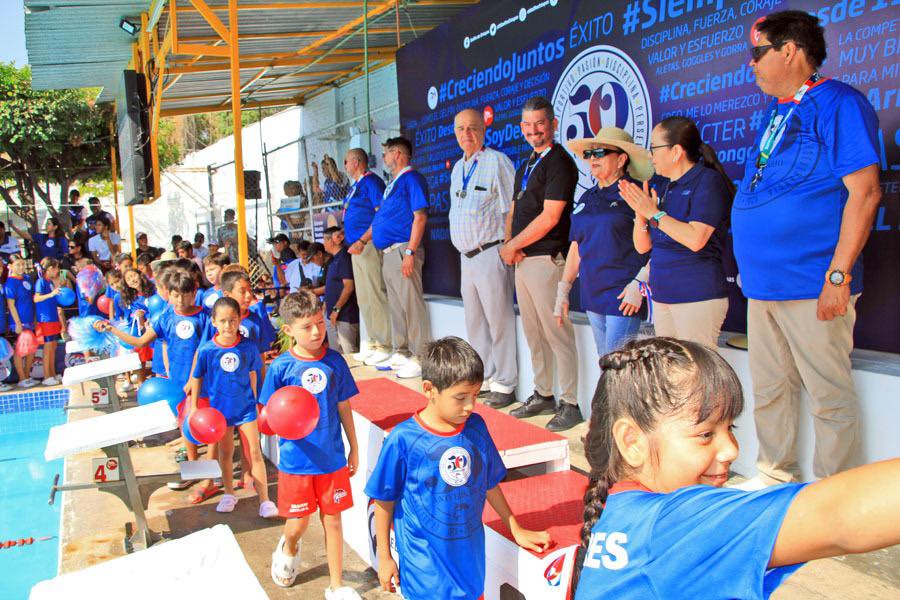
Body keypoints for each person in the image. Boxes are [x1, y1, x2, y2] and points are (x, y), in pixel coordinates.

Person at [573, 337, 900, 599]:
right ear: (632, 442)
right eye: (705, 434)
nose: (731, 450)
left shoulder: (620, 512)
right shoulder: (676, 524)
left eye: (731, 428)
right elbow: (840, 516)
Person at [730, 11, 882, 490]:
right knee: (771, 390)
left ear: (790, 51)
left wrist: (837, 277)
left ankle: (837, 495)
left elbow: (866, 192)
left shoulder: (839, 103)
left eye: (759, 53)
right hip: (763, 287)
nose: (751, 64)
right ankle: (776, 474)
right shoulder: (778, 111)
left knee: (827, 394)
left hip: (811, 280)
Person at [366, 336, 551, 597]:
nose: (470, 406)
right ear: (429, 389)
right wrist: (384, 557)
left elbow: (488, 482)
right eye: (460, 397)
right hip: (425, 576)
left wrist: (515, 528)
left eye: (475, 395)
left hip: (470, 569)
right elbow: (383, 500)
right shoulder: (403, 439)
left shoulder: (476, 427)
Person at [261, 290, 361, 599]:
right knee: (297, 525)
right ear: (288, 330)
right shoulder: (280, 368)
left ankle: (336, 584)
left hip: (331, 459)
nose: (317, 331)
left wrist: (353, 447)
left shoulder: (335, 361)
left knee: (333, 520)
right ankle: (288, 546)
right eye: (307, 326)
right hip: (297, 462)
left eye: (319, 322)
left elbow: (343, 405)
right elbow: (268, 412)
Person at [499, 96, 581, 431]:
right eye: (528, 125)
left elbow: (551, 216)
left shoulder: (559, 162)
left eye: (540, 124)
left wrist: (514, 245)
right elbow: (517, 213)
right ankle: (544, 393)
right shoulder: (527, 164)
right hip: (523, 260)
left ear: (553, 125)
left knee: (556, 333)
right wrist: (511, 246)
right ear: (521, 127)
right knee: (534, 333)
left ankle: (571, 402)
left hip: (547, 259)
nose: (534, 131)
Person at [97, 269, 212, 503]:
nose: (181, 300)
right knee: (185, 425)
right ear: (168, 295)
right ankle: (196, 472)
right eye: (176, 295)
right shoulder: (165, 317)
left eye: (186, 295)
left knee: (205, 426)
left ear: (194, 294)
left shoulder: (205, 317)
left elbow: (203, 351)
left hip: (203, 382)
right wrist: (112, 329)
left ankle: (210, 479)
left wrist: (193, 379)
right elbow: (141, 341)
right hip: (177, 382)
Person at [618, 117, 733, 348]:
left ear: (676, 151)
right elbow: (643, 247)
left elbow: (695, 239)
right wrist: (641, 212)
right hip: (663, 296)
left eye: (654, 148)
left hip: (696, 294)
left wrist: (655, 214)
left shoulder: (707, 181)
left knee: (696, 374)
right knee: (672, 374)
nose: (651, 156)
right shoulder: (665, 185)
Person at [560, 128, 652, 358]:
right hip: (593, 292)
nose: (593, 159)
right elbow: (577, 246)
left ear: (621, 159)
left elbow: (658, 242)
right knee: (605, 362)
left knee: (617, 365)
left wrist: (640, 283)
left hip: (622, 293)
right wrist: (563, 289)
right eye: (589, 154)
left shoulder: (636, 193)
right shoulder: (587, 196)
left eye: (600, 153)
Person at [448, 108, 519, 408]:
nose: (467, 134)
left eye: (473, 128)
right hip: (466, 257)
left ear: (484, 129)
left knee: (498, 322)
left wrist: (510, 246)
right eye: (461, 129)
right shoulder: (456, 169)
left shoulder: (497, 162)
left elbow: (510, 210)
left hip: (491, 252)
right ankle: (486, 378)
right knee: (475, 323)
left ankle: (506, 383)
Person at [189, 296, 276, 517]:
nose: (228, 326)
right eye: (223, 320)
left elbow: (255, 373)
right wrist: (194, 407)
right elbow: (197, 377)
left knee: (254, 453)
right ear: (214, 322)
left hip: (246, 409)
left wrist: (257, 402)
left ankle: (264, 500)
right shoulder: (207, 350)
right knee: (225, 453)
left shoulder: (248, 346)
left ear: (239, 320)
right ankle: (229, 493)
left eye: (233, 320)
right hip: (220, 412)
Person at [367, 136, 432, 379]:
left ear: (397, 154)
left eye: (386, 153)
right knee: (396, 306)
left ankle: (420, 355)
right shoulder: (392, 183)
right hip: (388, 253)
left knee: (411, 304)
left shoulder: (411, 179)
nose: (383, 158)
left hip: (403, 249)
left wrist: (410, 252)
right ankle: (402, 350)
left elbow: (420, 216)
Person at [342, 147, 392, 365]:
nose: (344, 166)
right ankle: (372, 341)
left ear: (355, 161)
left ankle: (384, 343)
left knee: (375, 294)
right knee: (364, 297)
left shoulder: (372, 182)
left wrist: (363, 239)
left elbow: (381, 213)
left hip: (368, 245)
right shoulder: (356, 185)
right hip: (355, 248)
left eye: (345, 162)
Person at [321, 226, 359, 355]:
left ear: (333, 240)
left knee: (349, 355)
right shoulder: (333, 260)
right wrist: (326, 304)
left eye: (325, 240)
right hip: (333, 317)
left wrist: (336, 309)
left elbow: (349, 286)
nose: (324, 244)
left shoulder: (343, 257)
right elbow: (332, 286)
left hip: (345, 316)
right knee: (337, 354)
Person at [5, 255, 38, 388]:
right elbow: (11, 305)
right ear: (11, 266)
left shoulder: (28, 279)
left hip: (30, 319)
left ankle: (27, 376)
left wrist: (34, 318)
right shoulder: (10, 283)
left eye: (22, 264)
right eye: (17, 265)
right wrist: (18, 323)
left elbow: (31, 299)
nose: (21, 267)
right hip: (19, 321)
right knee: (20, 349)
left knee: (31, 349)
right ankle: (22, 378)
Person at [34, 258, 66, 386]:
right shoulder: (41, 281)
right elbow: (36, 298)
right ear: (50, 269)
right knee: (48, 348)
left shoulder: (50, 282)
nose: (58, 271)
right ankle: (47, 376)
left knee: (53, 346)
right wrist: (51, 294)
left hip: (53, 317)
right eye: (56, 268)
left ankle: (52, 374)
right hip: (45, 319)